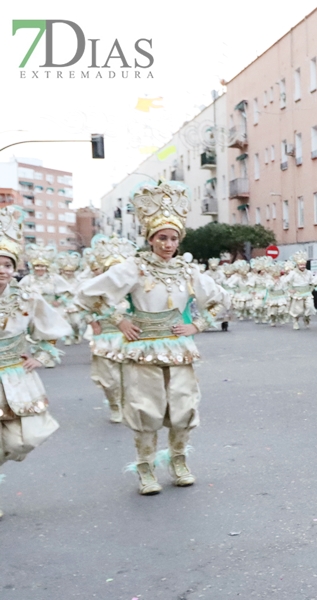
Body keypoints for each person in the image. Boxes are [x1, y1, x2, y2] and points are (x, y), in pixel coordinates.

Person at [75, 182, 228, 496]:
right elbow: (89, 293)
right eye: (162, 237)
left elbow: (220, 299)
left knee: (184, 407)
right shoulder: (135, 267)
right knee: (146, 409)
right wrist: (120, 319)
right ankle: (145, 468)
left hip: (178, 347)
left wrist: (197, 325)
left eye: (173, 238)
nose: (168, 244)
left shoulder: (188, 270)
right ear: (150, 239)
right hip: (143, 347)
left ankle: (179, 461)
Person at [0, 206, 71, 518]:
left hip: (15, 377)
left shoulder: (27, 297)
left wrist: (41, 356)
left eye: (7, 264)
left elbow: (51, 328)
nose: (2, 269)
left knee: (19, 441)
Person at [85, 235, 138, 424]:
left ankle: (126, 405)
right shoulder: (98, 289)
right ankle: (114, 403)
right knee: (109, 379)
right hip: (105, 336)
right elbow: (85, 304)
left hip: (129, 337)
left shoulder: (134, 289)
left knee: (130, 377)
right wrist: (92, 322)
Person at [283, 251, 314, 330]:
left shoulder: (309, 273)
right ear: (297, 265)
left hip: (307, 293)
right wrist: (289, 289)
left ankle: (307, 318)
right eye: (301, 265)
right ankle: (295, 322)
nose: (303, 266)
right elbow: (285, 281)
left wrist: (314, 287)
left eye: (304, 264)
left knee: (310, 307)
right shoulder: (293, 273)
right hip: (298, 293)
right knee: (298, 310)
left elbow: (313, 282)